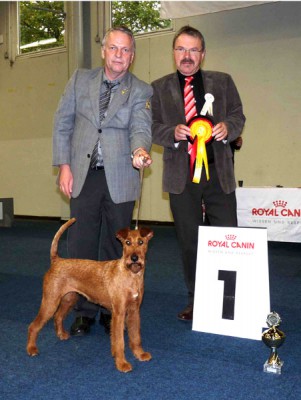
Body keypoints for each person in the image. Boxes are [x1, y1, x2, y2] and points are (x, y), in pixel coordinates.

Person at [52, 26, 153, 336]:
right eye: (114, 48)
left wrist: (140, 149)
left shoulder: (141, 90)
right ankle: (83, 310)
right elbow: (62, 122)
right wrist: (64, 166)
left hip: (120, 175)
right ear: (103, 51)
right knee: (81, 244)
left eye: (125, 50)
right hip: (83, 174)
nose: (119, 55)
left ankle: (113, 308)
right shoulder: (80, 79)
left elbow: (141, 126)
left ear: (132, 56)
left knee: (116, 244)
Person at [151, 26, 245, 321]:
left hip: (220, 176)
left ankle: (232, 299)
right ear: (174, 53)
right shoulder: (158, 87)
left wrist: (229, 127)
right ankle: (197, 299)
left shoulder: (223, 81)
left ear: (203, 54)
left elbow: (238, 115)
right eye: (181, 49)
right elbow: (151, 126)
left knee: (228, 237)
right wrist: (171, 132)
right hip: (182, 178)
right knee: (190, 242)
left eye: (193, 50)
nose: (187, 56)